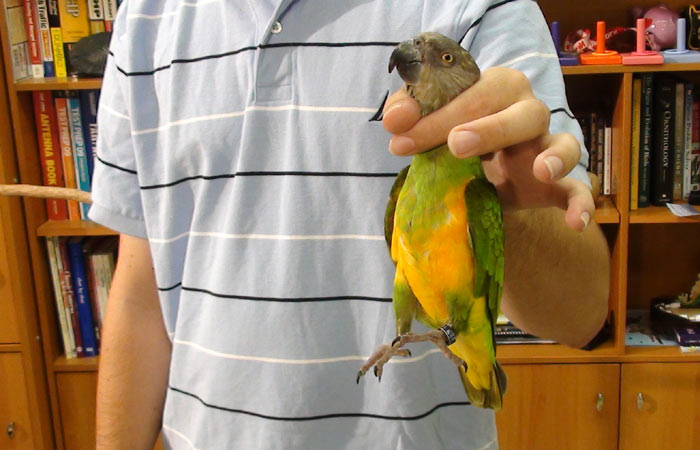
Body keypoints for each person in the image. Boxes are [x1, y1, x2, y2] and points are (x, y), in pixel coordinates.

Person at [91, 1, 610, 449]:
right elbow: (141, 289)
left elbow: (582, 314)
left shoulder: (485, 6)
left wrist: (505, 202)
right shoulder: (144, 17)